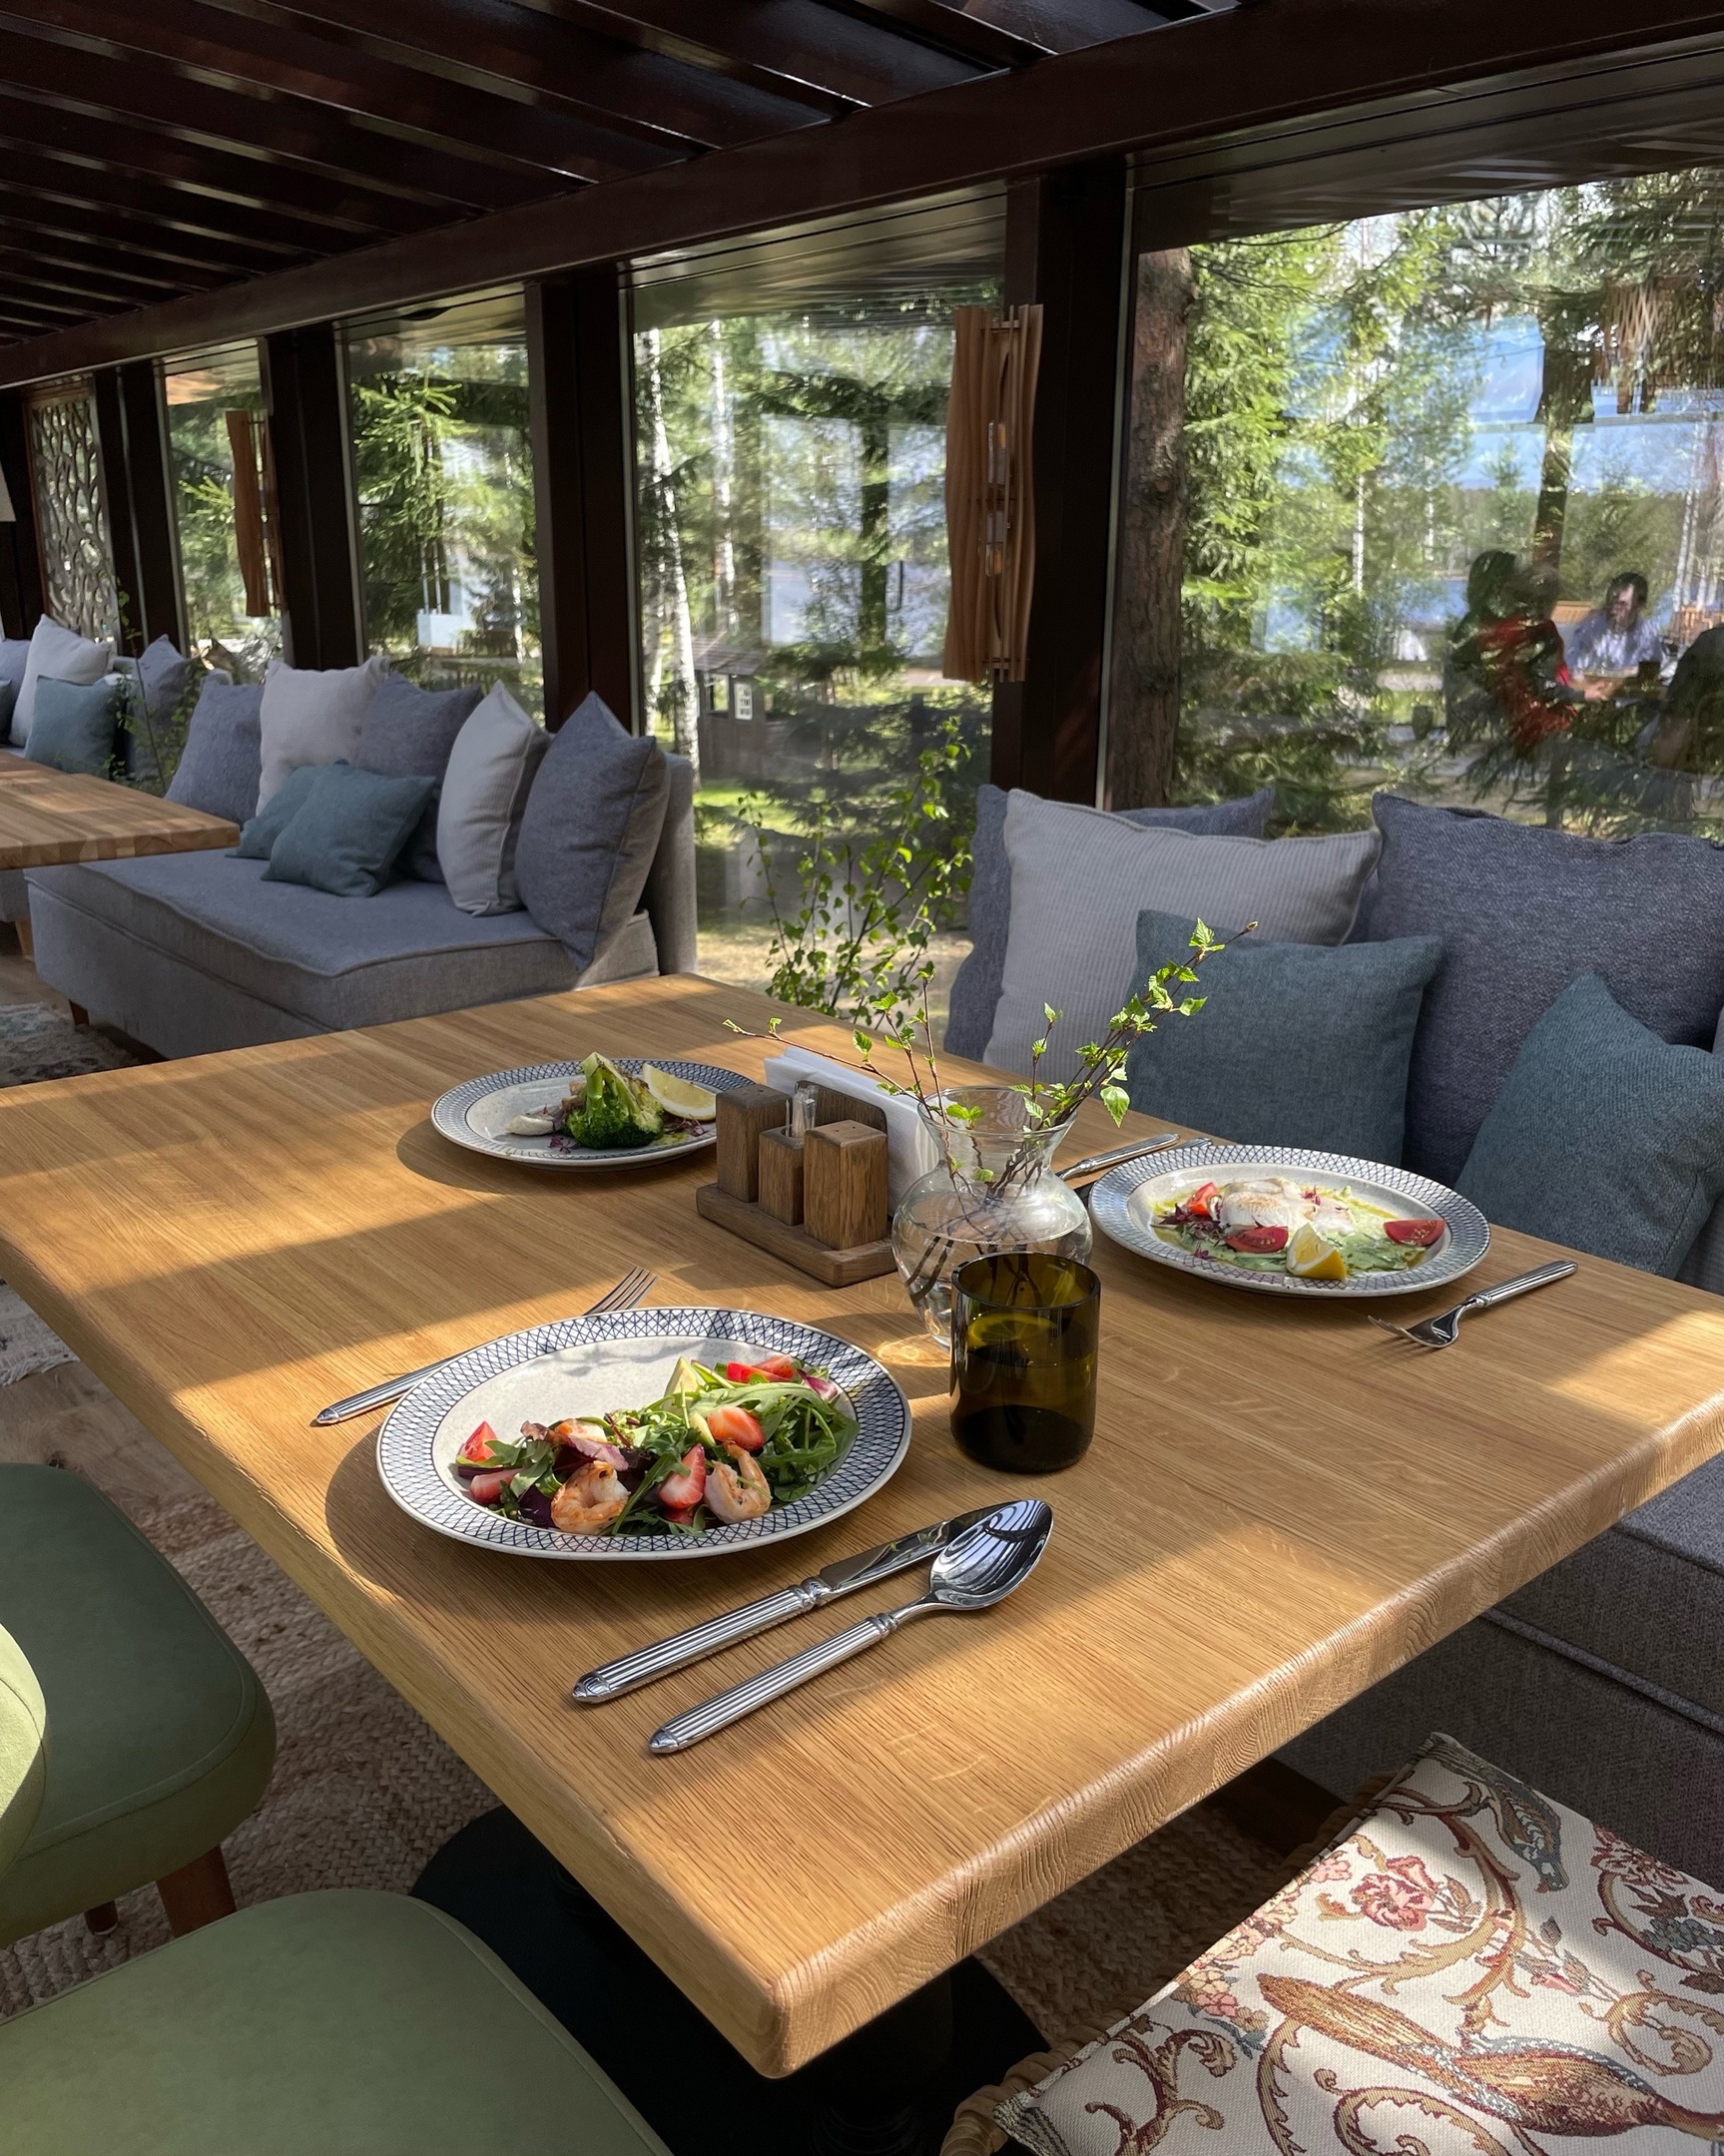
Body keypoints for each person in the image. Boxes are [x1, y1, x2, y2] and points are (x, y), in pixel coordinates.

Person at [1565, 572, 1664, 677]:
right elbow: (1571, 668)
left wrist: (1633, 672)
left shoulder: (1647, 635)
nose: (1614, 608)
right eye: (1611, 602)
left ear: (1639, 606)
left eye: (1622, 604)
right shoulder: (1590, 627)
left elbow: (1653, 672)